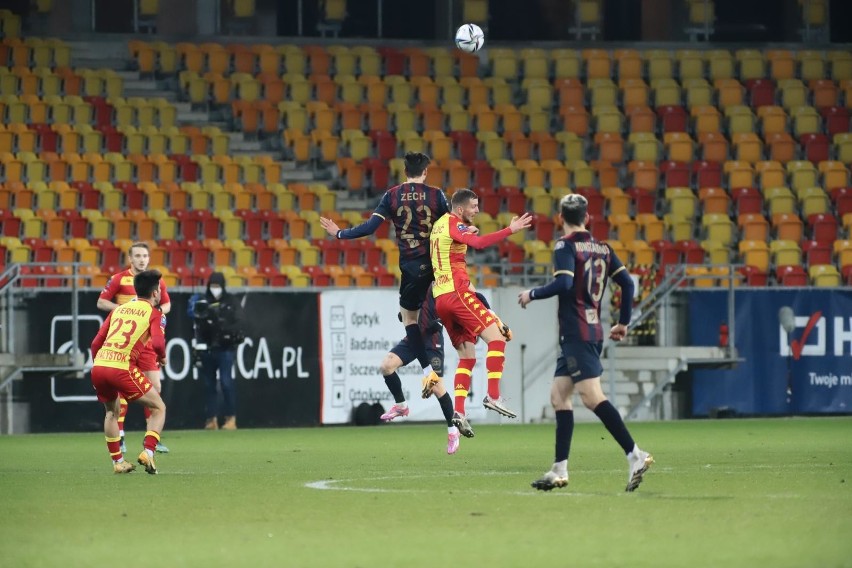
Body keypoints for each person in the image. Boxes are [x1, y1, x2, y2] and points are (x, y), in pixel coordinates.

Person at [518, 194, 654, 492]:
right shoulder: (603, 248)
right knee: (559, 396)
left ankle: (635, 454)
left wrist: (533, 294)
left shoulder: (565, 246)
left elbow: (564, 282)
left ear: (559, 218)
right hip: (587, 331)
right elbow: (628, 283)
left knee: (592, 398)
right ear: (588, 218)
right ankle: (559, 469)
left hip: (577, 332)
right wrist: (623, 321)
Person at [319, 152, 450, 395]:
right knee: (442, 308)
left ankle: (426, 374)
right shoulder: (437, 195)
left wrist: (339, 233)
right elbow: (452, 226)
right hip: (435, 265)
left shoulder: (392, 195)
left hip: (410, 268)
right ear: (425, 172)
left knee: (409, 320)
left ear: (404, 171)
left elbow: (369, 228)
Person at [429, 188, 532, 426]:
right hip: (457, 293)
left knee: (467, 357)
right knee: (497, 339)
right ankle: (493, 396)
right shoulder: (454, 224)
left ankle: (459, 412)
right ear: (460, 208)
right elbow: (479, 243)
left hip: (442, 298)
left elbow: (453, 256)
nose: (477, 211)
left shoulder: (439, 226)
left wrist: (491, 314)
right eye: (474, 207)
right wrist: (510, 230)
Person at [378, 283, 506, 454]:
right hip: (413, 339)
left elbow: (476, 296)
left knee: (437, 387)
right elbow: (407, 313)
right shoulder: (415, 281)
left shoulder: (443, 279)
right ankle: (401, 405)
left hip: (432, 342)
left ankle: (453, 431)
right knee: (386, 366)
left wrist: (491, 314)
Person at [90, 269, 167, 475]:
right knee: (159, 407)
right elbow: (158, 343)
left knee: (110, 412)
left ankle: (118, 462)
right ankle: (148, 452)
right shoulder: (154, 313)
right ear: (155, 293)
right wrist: (163, 356)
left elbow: (95, 343)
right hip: (122, 367)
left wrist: (98, 365)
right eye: (159, 288)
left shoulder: (118, 310)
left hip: (99, 366)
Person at [188, 271, 244, 430]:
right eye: (212, 286)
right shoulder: (202, 301)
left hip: (225, 348)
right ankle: (211, 420)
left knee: (226, 383)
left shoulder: (231, 301)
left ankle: (231, 419)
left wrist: (224, 326)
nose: (215, 289)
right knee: (209, 385)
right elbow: (195, 319)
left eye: (217, 286)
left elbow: (239, 322)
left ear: (223, 286)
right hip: (207, 348)